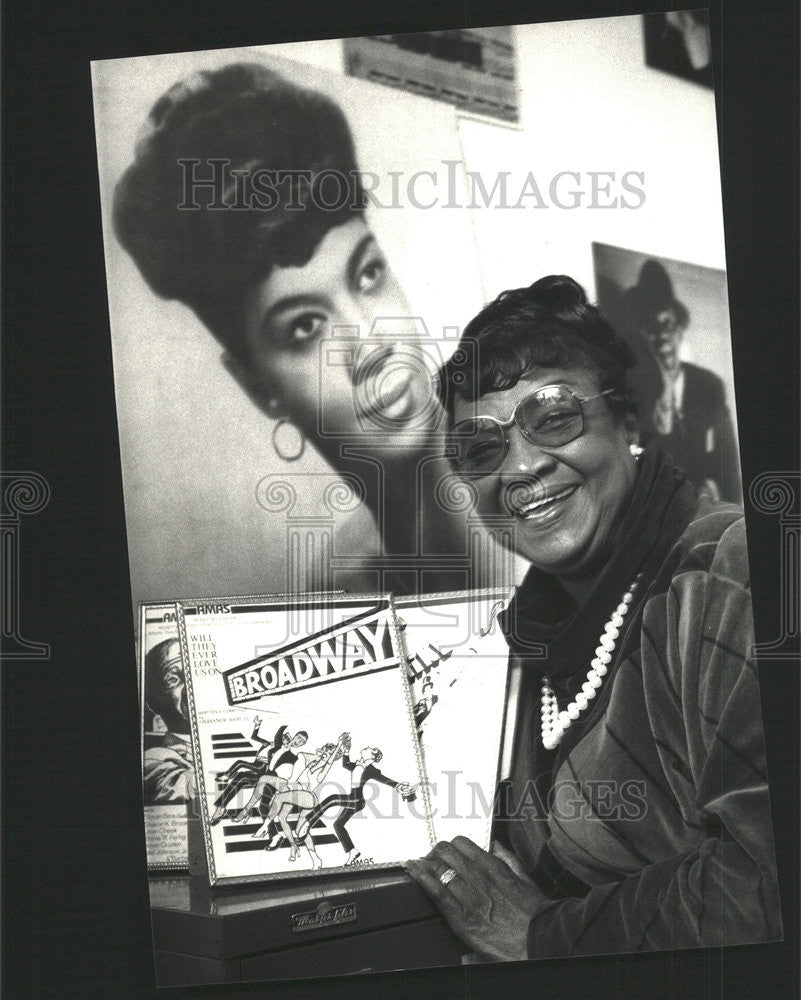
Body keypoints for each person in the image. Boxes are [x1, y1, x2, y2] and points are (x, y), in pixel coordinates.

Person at [405, 275, 781, 961]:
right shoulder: (514, 651)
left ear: (628, 424)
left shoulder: (732, 572)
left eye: (553, 417)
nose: (519, 468)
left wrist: (541, 935)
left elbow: (769, 882)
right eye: (481, 448)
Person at [113, 61, 494, 595]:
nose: (370, 344)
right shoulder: (333, 582)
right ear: (255, 384)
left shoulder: (532, 503)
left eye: (368, 273)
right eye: (307, 326)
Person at [620, 259, 741, 503]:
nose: (662, 337)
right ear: (641, 335)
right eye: (651, 327)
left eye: (667, 324)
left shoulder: (708, 385)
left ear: (679, 329)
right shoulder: (632, 392)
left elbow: (728, 465)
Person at [296, 738, 416, 865]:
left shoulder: (371, 770)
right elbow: (346, 765)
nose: (368, 746)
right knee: (338, 825)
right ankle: (352, 851)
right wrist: (346, 752)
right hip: (354, 800)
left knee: (332, 799)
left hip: (356, 799)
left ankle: (308, 822)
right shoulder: (358, 764)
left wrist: (398, 786)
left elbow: (384, 779)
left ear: (372, 757)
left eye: (371, 749)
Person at [252, 733, 349, 869]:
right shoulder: (310, 766)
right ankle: (315, 858)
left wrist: (338, 746)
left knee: (279, 799)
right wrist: (320, 756)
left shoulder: (322, 772)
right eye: (324, 752)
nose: (324, 756)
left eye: (328, 755)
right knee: (285, 820)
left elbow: (328, 762)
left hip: (309, 798)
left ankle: (264, 827)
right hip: (298, 795)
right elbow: (304, 759)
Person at [209, 718, 307, 824]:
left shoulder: (293, 758)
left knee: (259, 800)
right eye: (298, 737)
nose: (299, 741)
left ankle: (243, 812)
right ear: (294, 735)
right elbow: (280, 731)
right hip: (260, 775)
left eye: (302, 742)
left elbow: (287, 774)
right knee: (241, 776)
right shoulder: (277, 745)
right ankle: (221, 808)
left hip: (270, 781)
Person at [142, 637, 194, 805]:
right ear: (155, 702)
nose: (192, 686)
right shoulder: (153, 760)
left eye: (195, 673)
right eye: (174, 679)